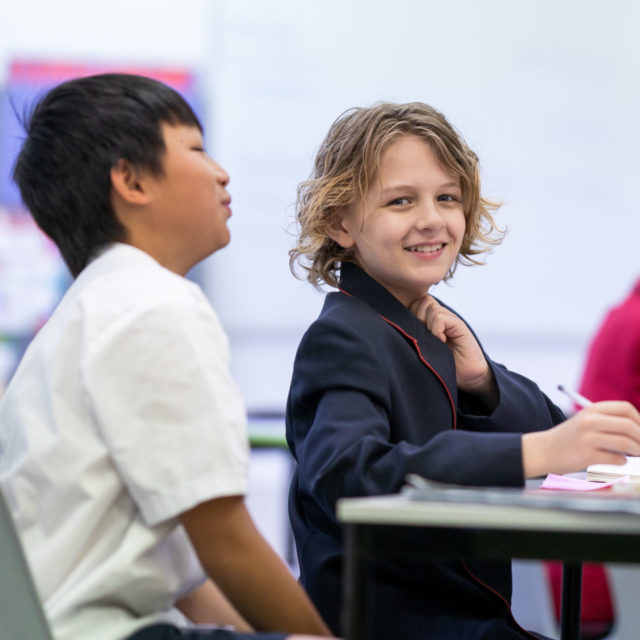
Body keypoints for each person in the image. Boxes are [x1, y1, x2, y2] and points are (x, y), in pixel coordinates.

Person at [285, 101, 640, 640]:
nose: (431, 218)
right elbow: (350, 471)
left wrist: (483, 382)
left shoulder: (426, 324)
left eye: (447, 198)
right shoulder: (345, 334)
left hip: (470, 622)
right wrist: (539, 452)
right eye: (401, 200)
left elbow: (550, 429)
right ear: (340, 222)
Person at [0, 73, 332, 640]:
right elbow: (224, 538)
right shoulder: (154, 304)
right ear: (131, 180)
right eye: (197, 149)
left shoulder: (87, 309)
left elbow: (193, 579)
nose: (222, 172)